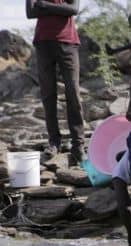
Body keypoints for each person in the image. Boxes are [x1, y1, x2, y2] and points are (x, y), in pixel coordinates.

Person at [27, 0, 85, 165]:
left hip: (68, 43)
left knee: (73, 93)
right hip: (43, 43)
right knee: (48, 94)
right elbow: (30, 13)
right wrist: (60, 9)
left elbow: (73, 9)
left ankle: (78, 145)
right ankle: (54, 142)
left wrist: (44, 5)